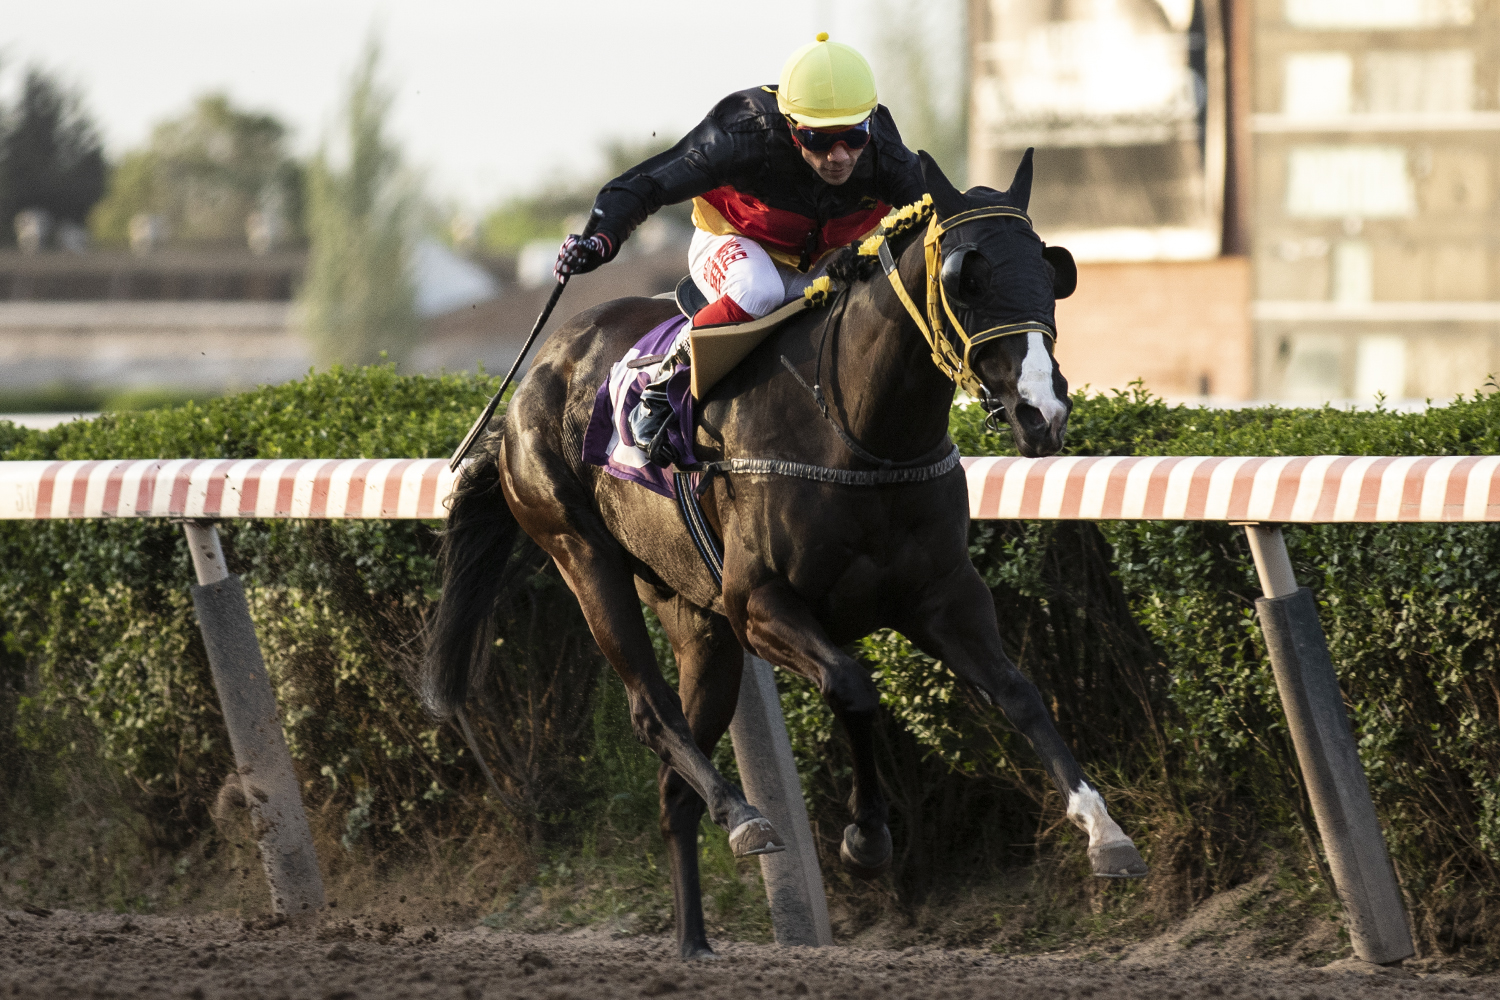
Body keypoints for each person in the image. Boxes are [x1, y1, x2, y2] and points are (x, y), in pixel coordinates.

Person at [554, 32, 927, 465]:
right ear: (791, 126)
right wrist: (600, 238)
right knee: (759, 289)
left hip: (818, 261)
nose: (839, 156)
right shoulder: (743, 131)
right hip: (732, 241)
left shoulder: (886, 153)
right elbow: (647, 182)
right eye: (819, 139)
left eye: (853, 135)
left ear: (869, 121)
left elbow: (941, 216)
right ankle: (660, 385)